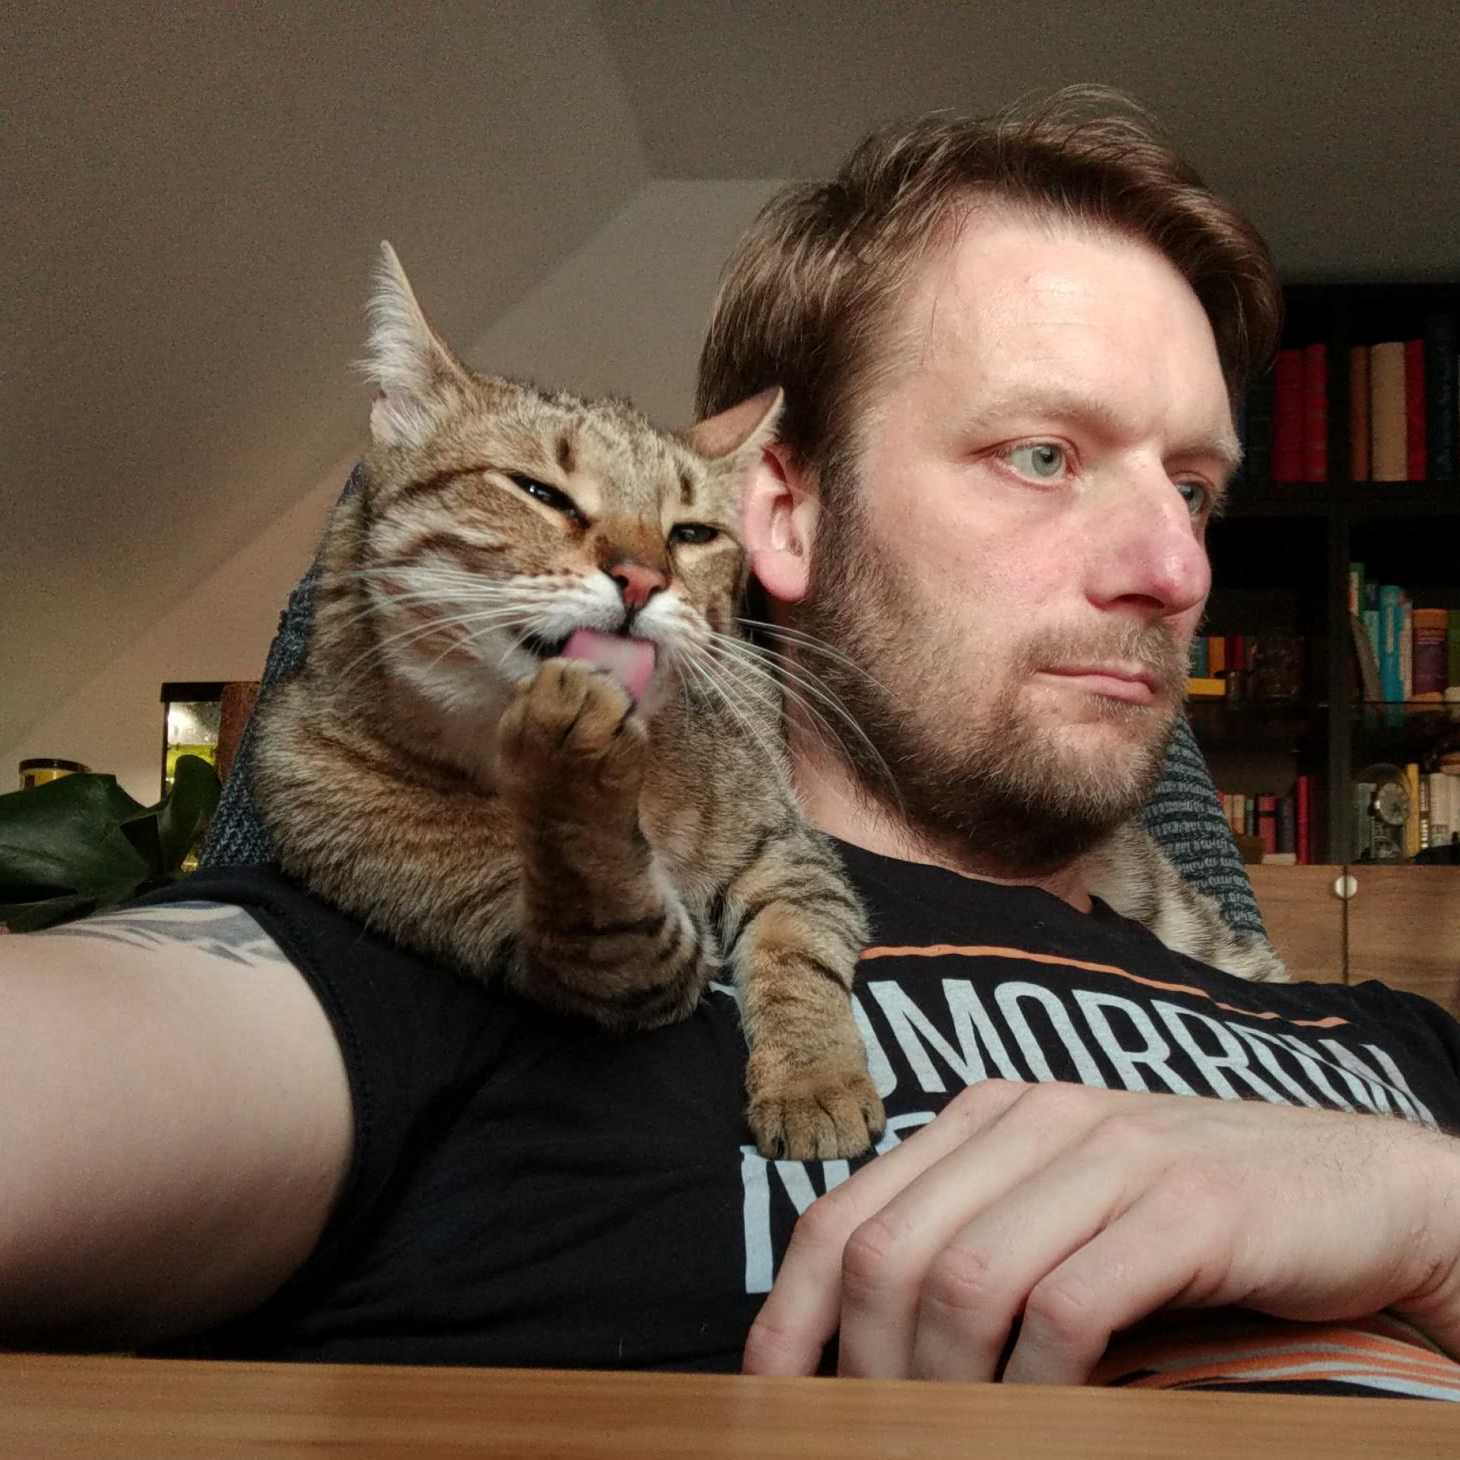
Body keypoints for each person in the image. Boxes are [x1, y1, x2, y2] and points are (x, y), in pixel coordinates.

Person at [4, 87, 1459, 1400]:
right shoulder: (457, 930)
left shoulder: (1384, 1049)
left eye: (1196, 488)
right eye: (1044, 454)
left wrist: (1421, 1204)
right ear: (782, 514)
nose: (1178, 567)